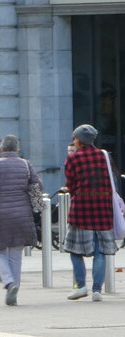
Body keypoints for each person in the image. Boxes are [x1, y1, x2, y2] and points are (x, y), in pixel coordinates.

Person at [62, 123, 120, 301]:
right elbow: (114, 179)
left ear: (79, 140)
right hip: (103, 208)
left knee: (73, 249)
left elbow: (71, 185)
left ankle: (80, 286)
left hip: (81, 209)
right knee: (100, 251)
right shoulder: (105, 156)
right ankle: (96, 290)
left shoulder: (73, 159)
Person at [0, 134, 41, 306]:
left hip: (1, 214)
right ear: (17, 148)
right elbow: (37, 186)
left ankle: (8, 282)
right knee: (16, 253)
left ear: (2, 149)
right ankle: (15, 288)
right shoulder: (25, 164)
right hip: (22, 213)